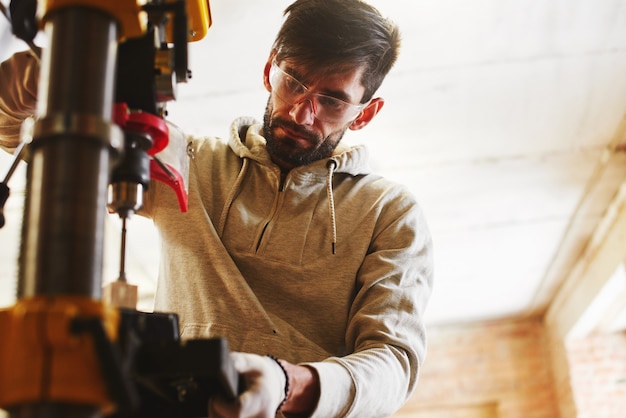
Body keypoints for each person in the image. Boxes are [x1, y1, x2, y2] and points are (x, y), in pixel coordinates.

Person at [0, 0, 434, 416]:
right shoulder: (189, 161)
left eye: (332, 101)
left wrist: (287, 383)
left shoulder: (390, 212)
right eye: (294, 83)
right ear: (270, 69)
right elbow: (12, 130)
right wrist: (33, 88)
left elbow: (393, 362)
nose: (303, 114)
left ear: (365, 113)